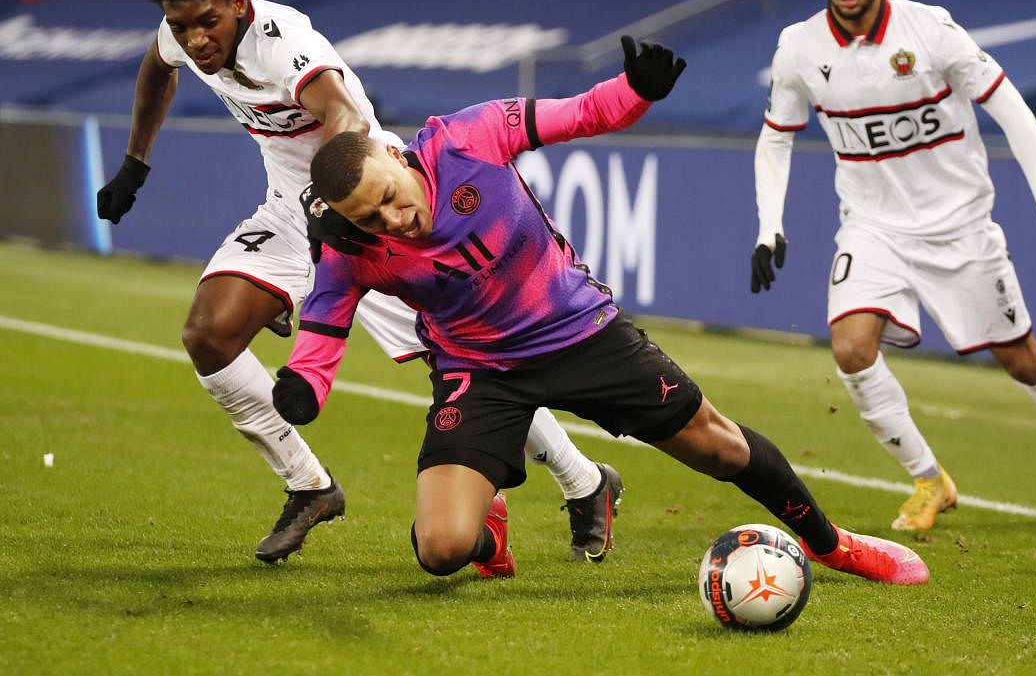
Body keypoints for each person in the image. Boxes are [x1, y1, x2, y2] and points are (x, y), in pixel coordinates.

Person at [269, 34, 930, 586]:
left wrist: (634, 89)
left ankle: (831, 543)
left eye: (389, 197)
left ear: (392, 154)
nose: (394, 220)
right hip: (480, 369)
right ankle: (486, 533)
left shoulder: (469, 137)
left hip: (582, 334)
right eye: (372, 216)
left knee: (722, 447)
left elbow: (581, 113)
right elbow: (325, 322)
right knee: (440, 547)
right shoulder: (350, 244)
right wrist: (304, 384)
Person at [95, 0, 623, 565]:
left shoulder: (280, 41)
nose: (193, 38)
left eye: (205, 20)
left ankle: (586, 482)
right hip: (292, 212)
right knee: (209, 334)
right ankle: (309, 484)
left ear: (237, 3)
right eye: (181, 26)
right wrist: (135, 162)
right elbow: (158, 68)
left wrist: (332, 204)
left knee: (459, 363)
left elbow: (343, 111)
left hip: (365, 212)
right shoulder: (181, 33)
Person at [749, 0, 1036, 531]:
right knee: (852, 349)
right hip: (872, 227)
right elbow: (775, 141)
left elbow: (1012, 110)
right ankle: (930, 481)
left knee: (1022, 361)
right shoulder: (799, 48)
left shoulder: (930, 31)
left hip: (961, 228)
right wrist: (768, 226)